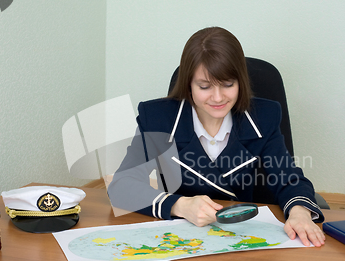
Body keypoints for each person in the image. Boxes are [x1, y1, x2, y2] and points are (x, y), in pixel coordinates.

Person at [108, 26, 325, 247]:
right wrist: (179, 206)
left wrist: (300, 212)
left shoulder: (263, 117)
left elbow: (288, 178)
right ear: (188, 84)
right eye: (204, 86)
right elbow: (122, 186)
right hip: (185, 243)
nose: (218, 97)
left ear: (241, 81)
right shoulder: (158, 118)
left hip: (248, 241)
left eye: (228, 84)